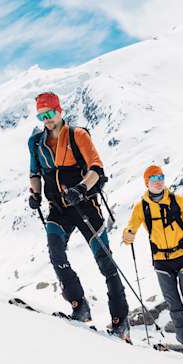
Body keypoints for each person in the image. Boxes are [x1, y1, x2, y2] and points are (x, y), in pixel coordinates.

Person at [27, 92, 130, 340]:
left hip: (85, 206)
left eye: (49, 113)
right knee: (56, 252)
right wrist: (35, 194)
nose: (46, 119)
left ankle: (120, 320)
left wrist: (81, 189)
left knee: (105, 262)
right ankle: (79, 305)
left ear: (59, 111)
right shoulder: (36, 143)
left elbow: (96, 168)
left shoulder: (78, 135)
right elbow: (35, 173)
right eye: (41, 115)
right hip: (58, 209)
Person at [122, 165, 183, 362]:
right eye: (153, 178)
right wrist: (128, 234)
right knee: (174, 307)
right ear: (146, 182)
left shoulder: (178, 201)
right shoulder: (141, 207)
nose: (158, 181)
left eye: (161, 177)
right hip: (161, 262)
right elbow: (131, 227)